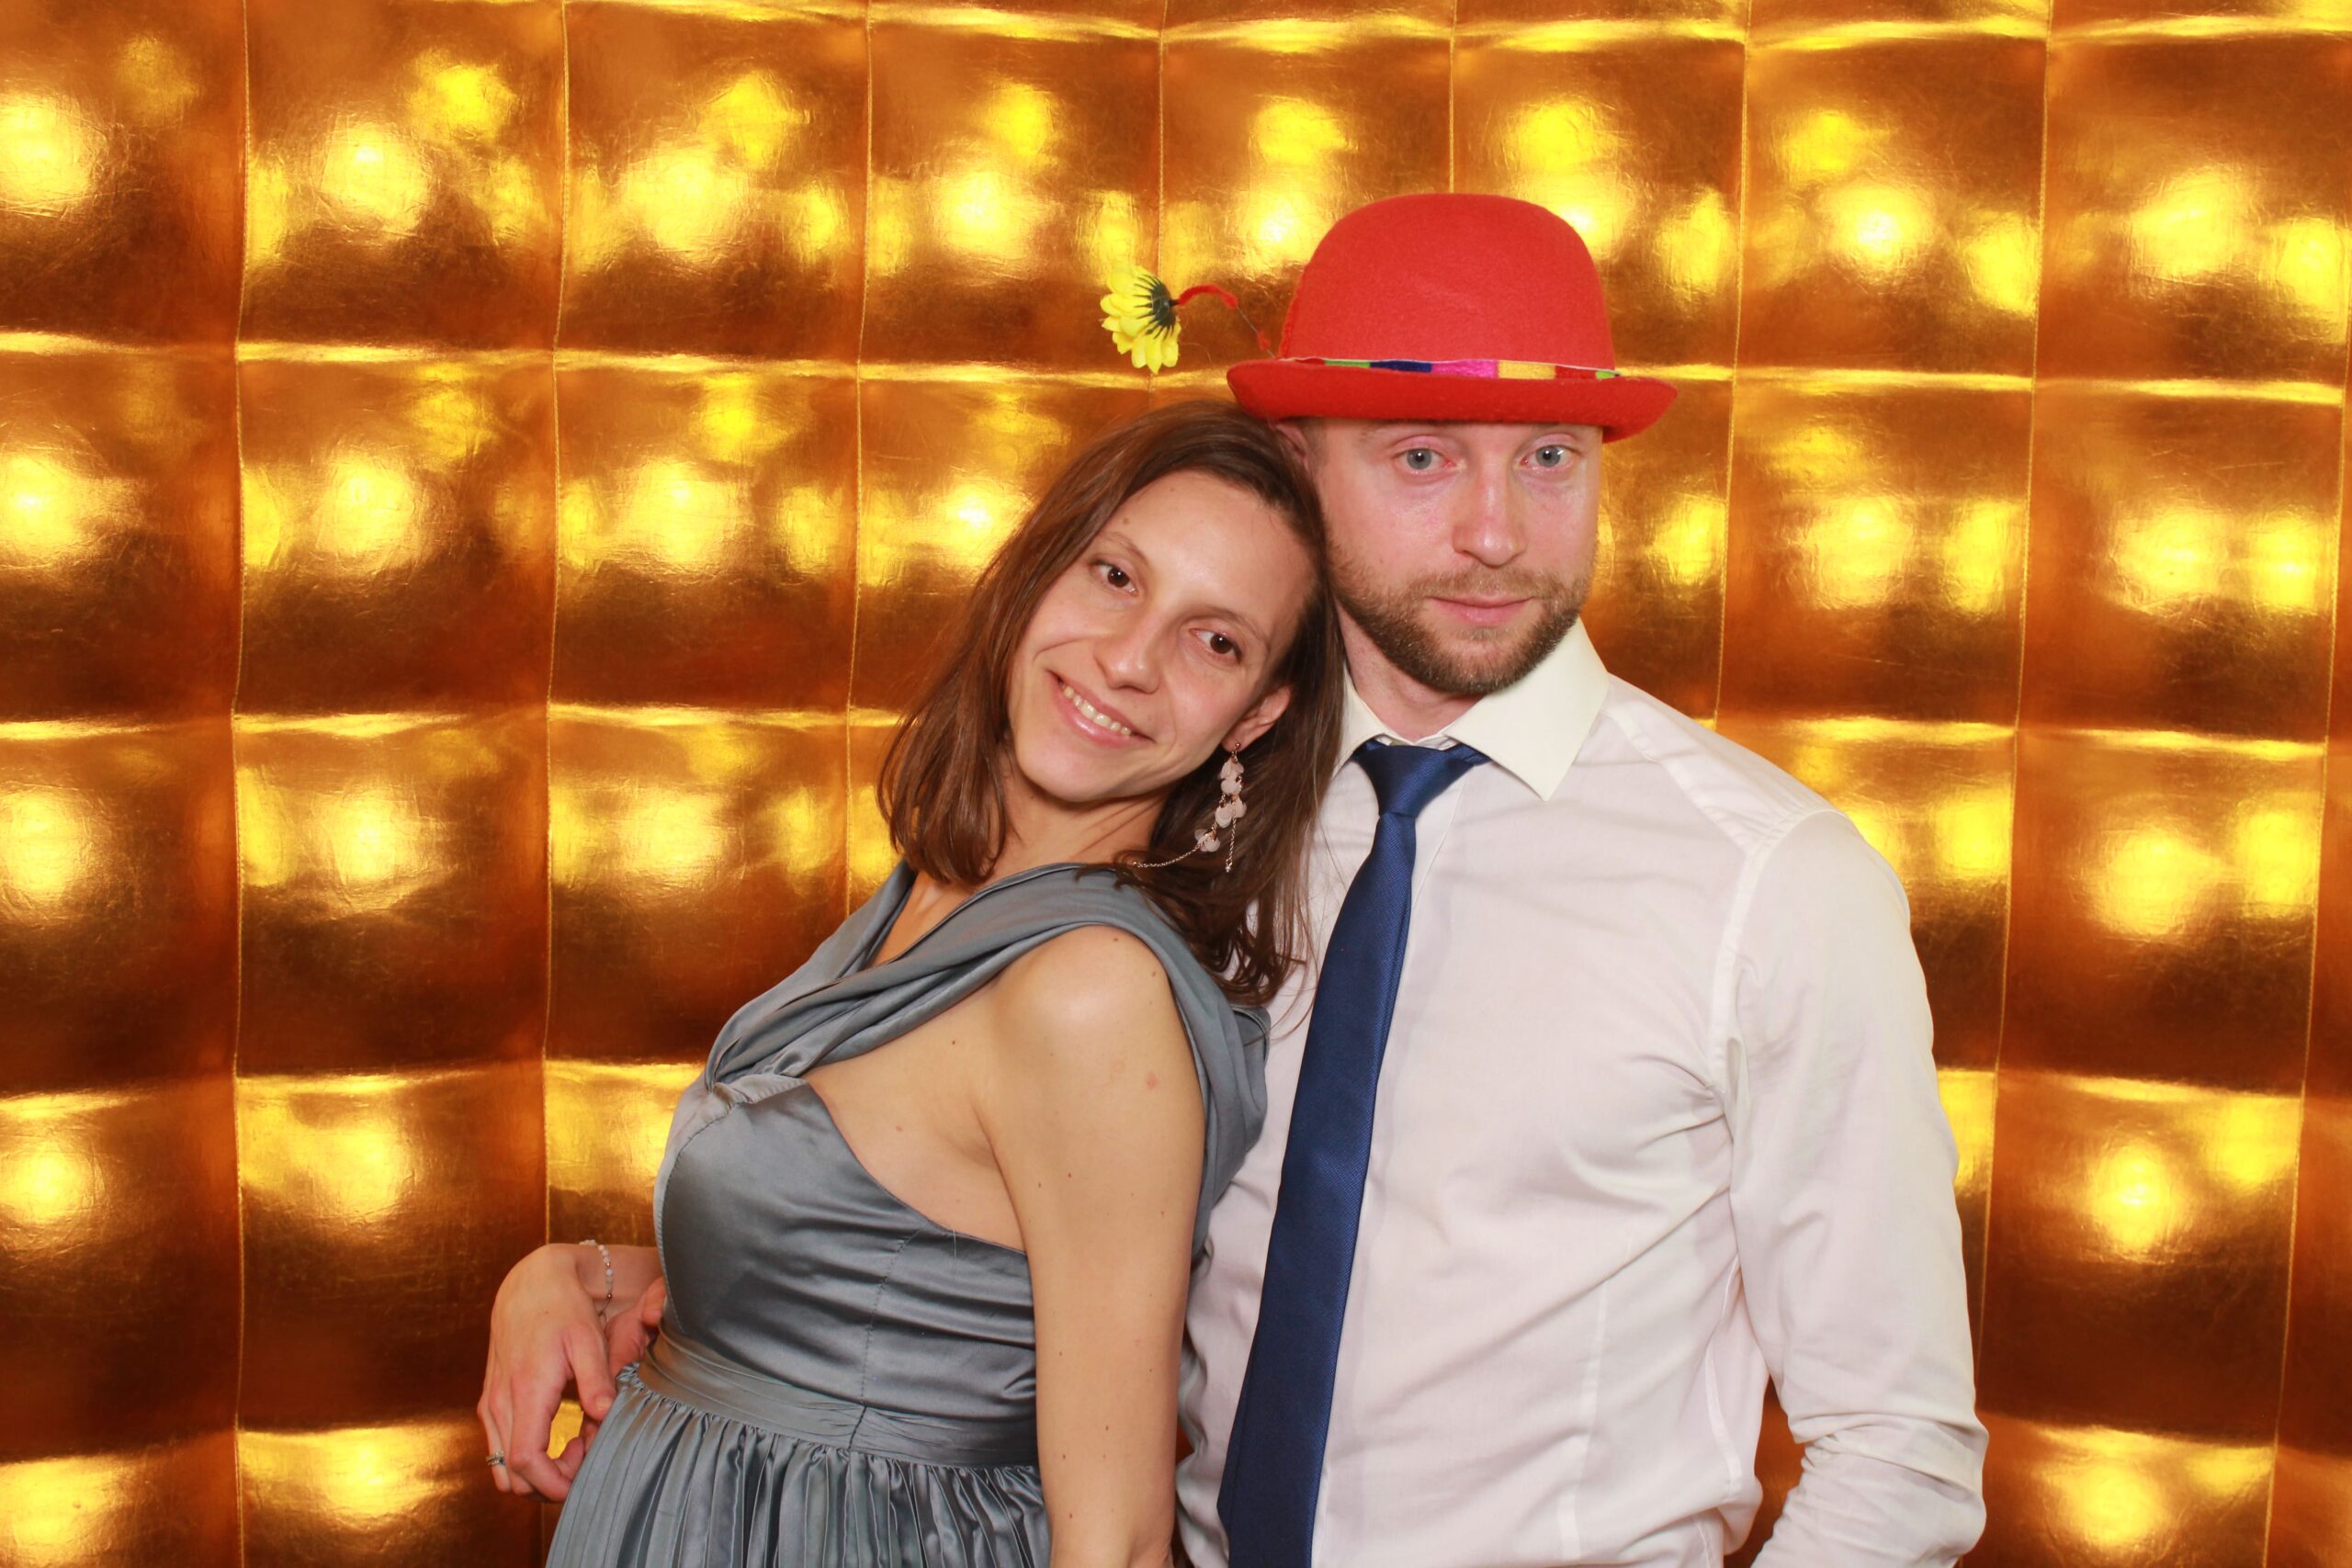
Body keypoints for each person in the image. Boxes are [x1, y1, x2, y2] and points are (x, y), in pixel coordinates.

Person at [1179, 193, 1988, 1567]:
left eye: (1549, 457)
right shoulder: (1201, 804)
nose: (1497, 532)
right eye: (1423, 456)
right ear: (1296, 467)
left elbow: (1897, 1449)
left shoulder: (1774, 885)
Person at [478, 399, 1345, 1568]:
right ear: (1039, 569)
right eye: (1114, 576)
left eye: (1216, 642)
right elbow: (864, 1288)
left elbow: (1122, 1541)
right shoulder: (941, 892)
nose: (1128, 661)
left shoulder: (1088, 992)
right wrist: (570, 1279)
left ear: (1257, 716)